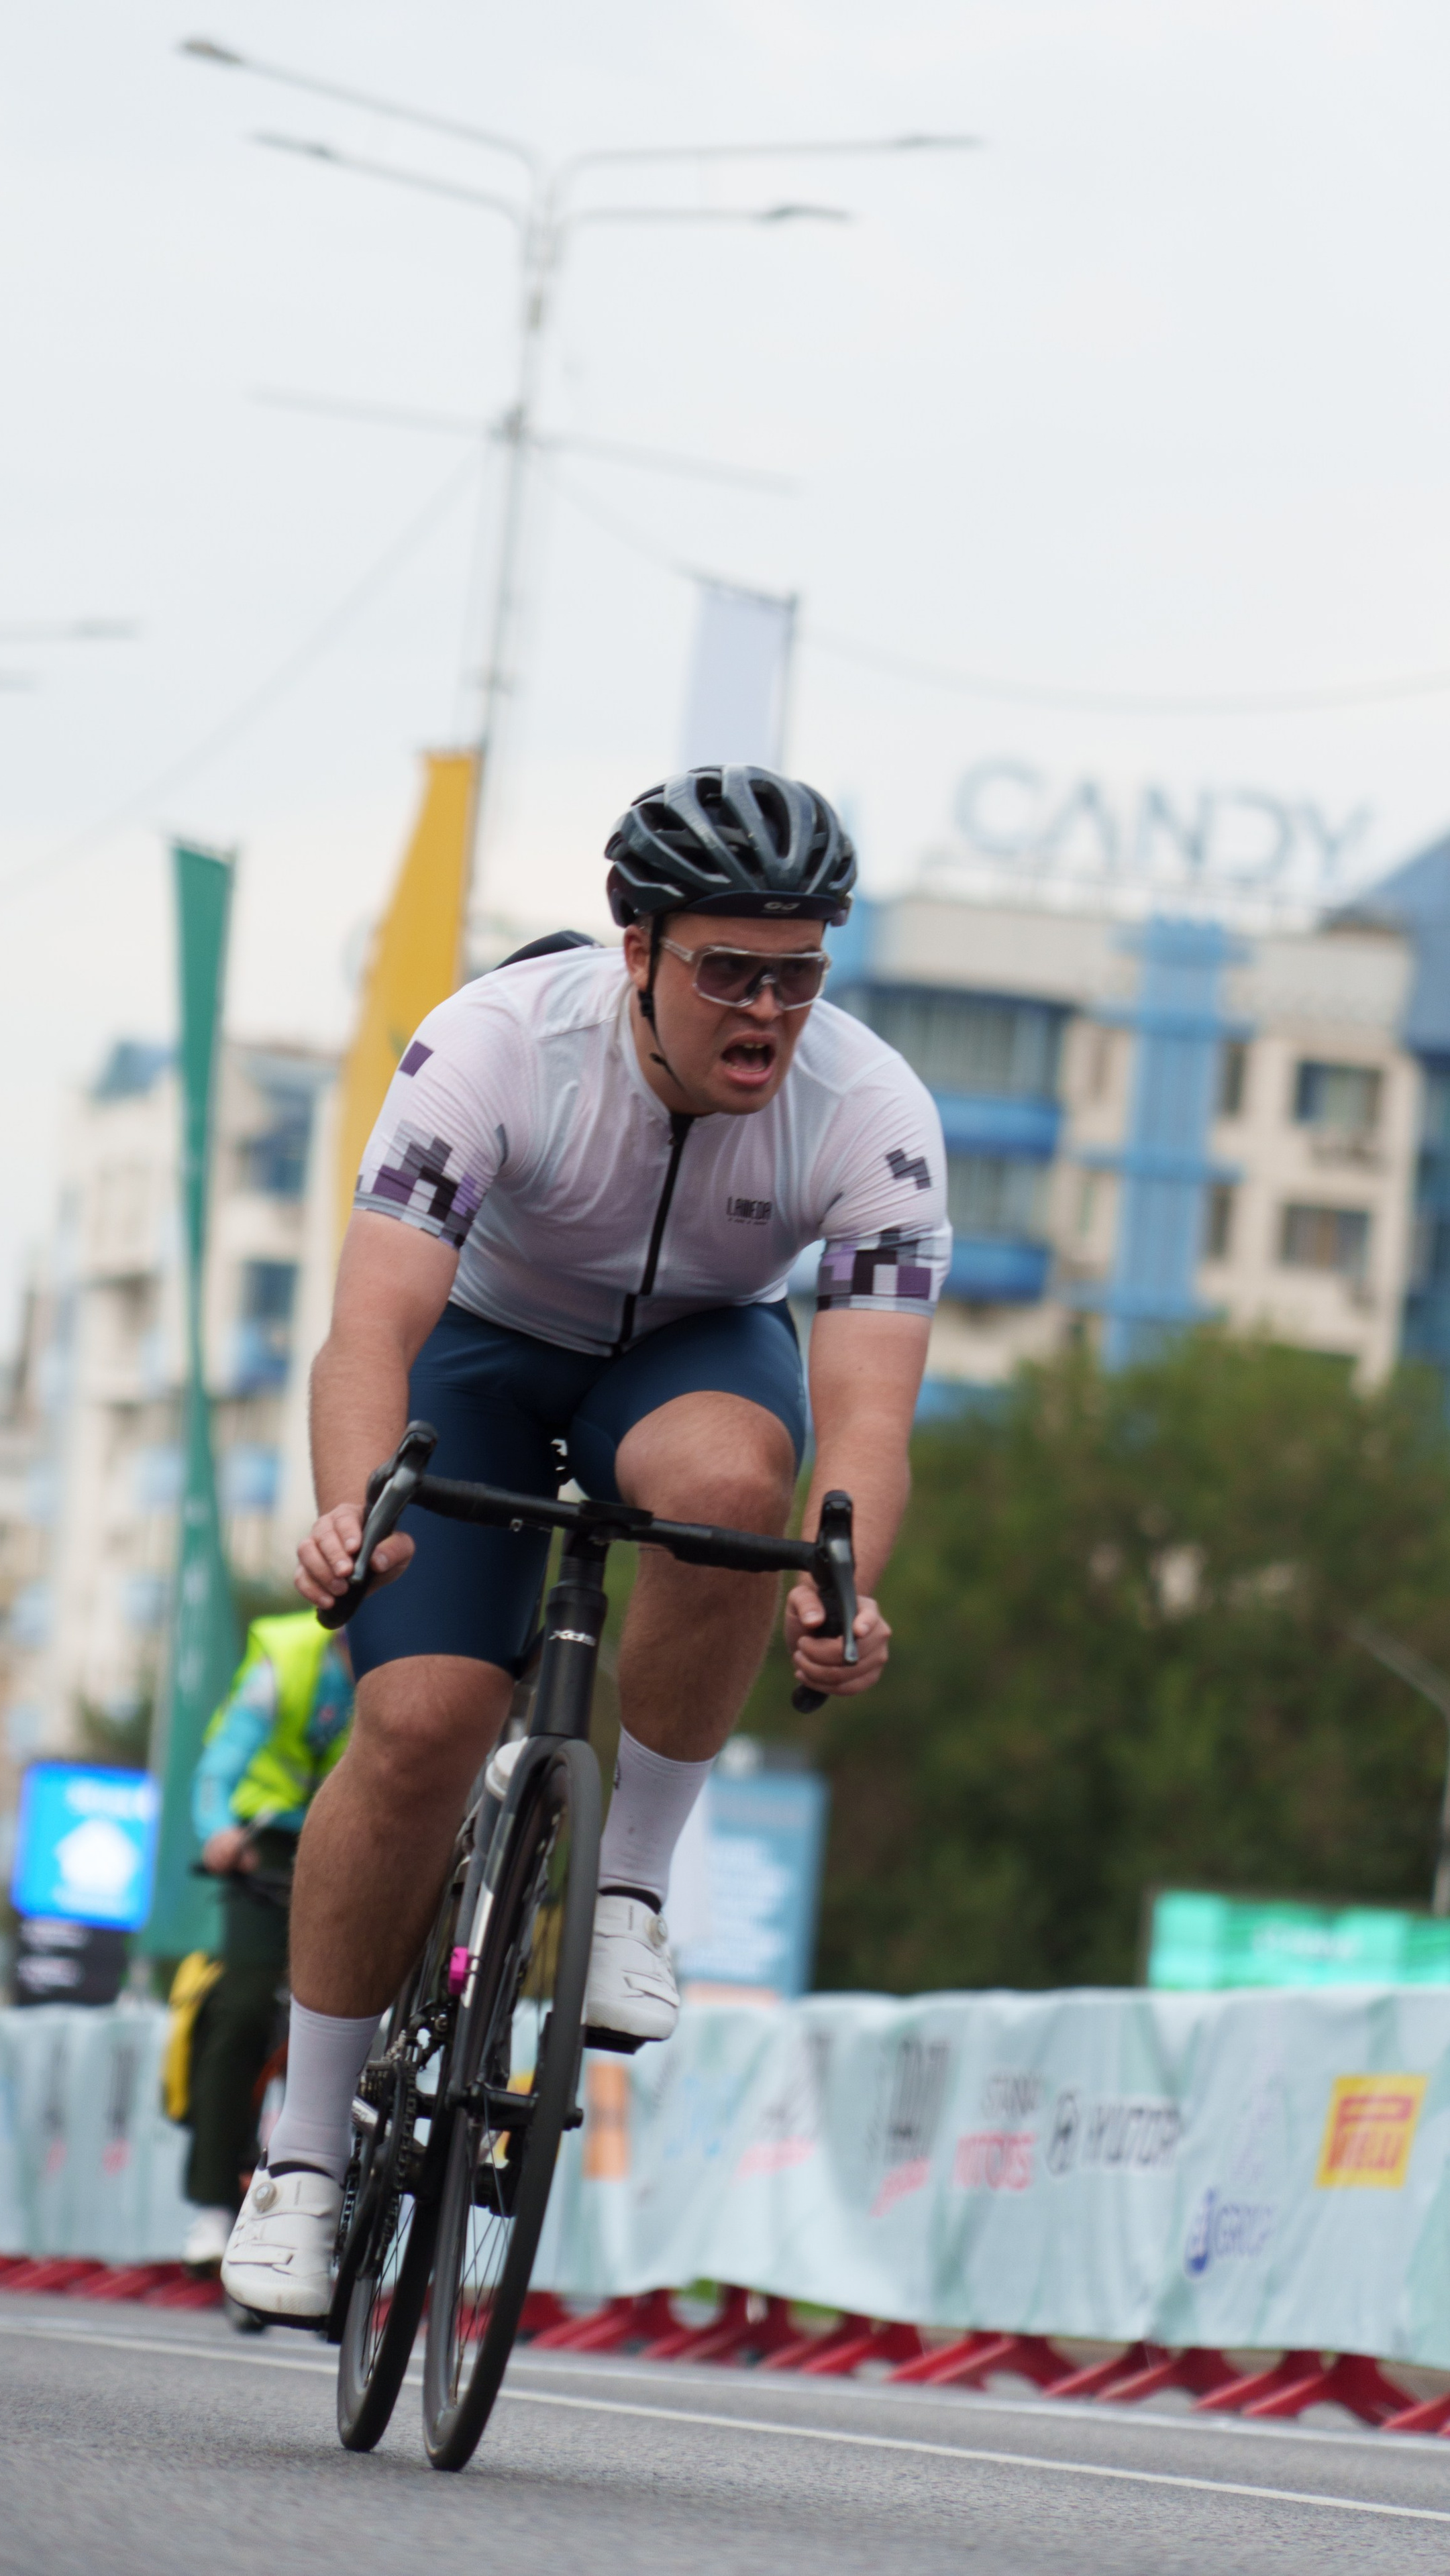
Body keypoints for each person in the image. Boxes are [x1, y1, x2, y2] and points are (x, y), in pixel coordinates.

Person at [223, 765, 949, 2322]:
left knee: (733, 1490)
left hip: (688, 1353)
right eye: (728, 971)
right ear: (634, 948)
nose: (767, 1011)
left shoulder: (874, 1112)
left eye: (800, 970)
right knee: (418, 1722)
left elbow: (865, 1426)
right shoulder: (490, 1046)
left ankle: (625, 1892)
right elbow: (368, 1329)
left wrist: (843, 1592)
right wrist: (356, 1508)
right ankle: (299, 2158)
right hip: (475, 1353)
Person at [178, 1610, 354, 2268]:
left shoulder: (416, 1664)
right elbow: (221, 1763)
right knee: (242, 2005)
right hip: (264, 1843)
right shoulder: (285, 1658)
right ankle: (210, 2205)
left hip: (351, 1844)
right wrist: (217, 1829)